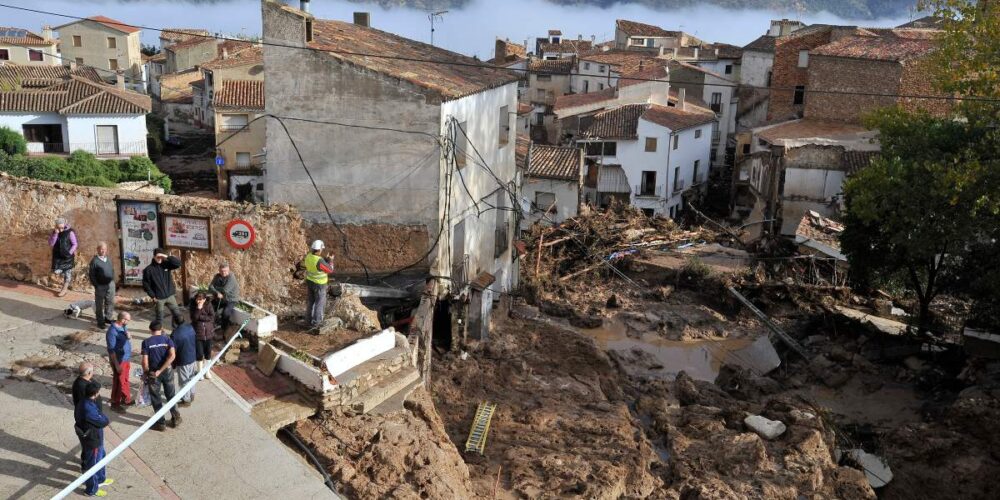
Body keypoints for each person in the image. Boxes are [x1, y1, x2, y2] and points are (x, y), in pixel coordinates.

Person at [74, 382, 112, 497]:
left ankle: (100, 479)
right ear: (95, 394)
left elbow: (99, 415)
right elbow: (104, 421)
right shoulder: (88, 408)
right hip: (92, 440)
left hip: (96, 438)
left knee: (101, 456)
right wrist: (103, 417)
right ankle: (91, 489)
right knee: (93, 464)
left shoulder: (85, 402)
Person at [141, 321, 181, 431]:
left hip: (153, 374)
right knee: (171, 395)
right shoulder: (167, 339)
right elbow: (172, 356)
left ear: (150, 329)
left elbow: (145, 362)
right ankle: (176, 418)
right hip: (167, 371)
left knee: (156, 398)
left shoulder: (146, 342)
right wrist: (162, 369)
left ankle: (161, 423)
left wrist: (146, 373)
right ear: (161, 328)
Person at [142, 249, 183, 328]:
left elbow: (178, 263)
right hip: (159, 298)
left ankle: (176, 330)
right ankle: (158, 333)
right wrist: (152, 296)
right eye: (158, 257)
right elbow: (146, 285)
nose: (159, 258)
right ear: (154, 256)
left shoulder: (166, 264)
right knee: (159, 318)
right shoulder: (148, 270)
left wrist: (166, 256)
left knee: (177, 314)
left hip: (170, 296)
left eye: (161, 257)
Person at [302, 240, 335, 328]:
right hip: (319, 285)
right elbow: (330, 270)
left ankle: (308, 321)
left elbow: (316, 264)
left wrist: (325, 260)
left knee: (310, 302)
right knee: (319, 303)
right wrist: (330, 260)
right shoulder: (319, 261)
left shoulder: (308, 256)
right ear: (319, 249)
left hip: (310, 282)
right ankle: (317, 322)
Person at [105, 312, 133, 411]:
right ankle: (115, 404)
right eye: (127, 320)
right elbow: (111, 350)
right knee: (118, 382)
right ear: (122, 319)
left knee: (125, 379)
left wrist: (129, 337)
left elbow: (126, 338)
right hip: (119, 360)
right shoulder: (112, 332)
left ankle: (126, 399)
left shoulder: (123, 326)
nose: (128, 322)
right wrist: (116, 365)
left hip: (126, 358)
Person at [87, 242, 116, 328]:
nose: (103, 251)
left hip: (110, 284)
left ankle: (108, 318)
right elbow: (91, 275)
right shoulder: (94, 261)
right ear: (98, 250)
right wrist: (96, 285)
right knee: (99, 304)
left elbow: (112, 270)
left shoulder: (108, 259)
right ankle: (100, 321)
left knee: (110, 302)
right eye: (101, 249)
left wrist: (112, 281)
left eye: (105, 249)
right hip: (100, 286)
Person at [49, 217, 78, 297]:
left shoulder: (70, 232)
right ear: (56, 226)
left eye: (62, 227)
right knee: (56, 271)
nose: (60, 229)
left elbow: (75, 244)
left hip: (67, 257)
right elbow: (51, 244)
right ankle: (63, 287)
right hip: (58, 257)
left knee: (67, 273)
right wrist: (55, 234)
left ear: (65, 225)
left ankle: (64, 289)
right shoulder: (54, 232)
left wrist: (70, 252)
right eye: (58, 228)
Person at [170, 321, 197, 406]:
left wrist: (173, 364)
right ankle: (192, 394)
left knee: (183, 381)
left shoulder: (175, 334)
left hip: (183, 360)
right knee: (191, 377)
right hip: (192, 357)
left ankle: (186, 400)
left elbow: (173, 351)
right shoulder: (190, 327)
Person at [190, 293, 216, 379]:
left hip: (209, 333)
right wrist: (199, 308)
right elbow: (194, 318)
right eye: (197, 299)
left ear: (204, 299)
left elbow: (212, 317)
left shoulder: (209, 305)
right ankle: (200, 372)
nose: (198, 301)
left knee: (208, 354)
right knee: (199, 354)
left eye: (200, 300)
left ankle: (207, 371)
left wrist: (201, 318)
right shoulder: (193, 305)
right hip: (198, 334)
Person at [208, 262, 240, 331]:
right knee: (208, 306)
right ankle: (210, 325)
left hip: (231, 299)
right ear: (219, 270)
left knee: (225, 313)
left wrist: (215, 288)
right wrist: (217, 292)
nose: (223, 273)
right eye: (221, 271)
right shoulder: (217, 276)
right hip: (220, 298)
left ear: (228, 270)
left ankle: (224, 330)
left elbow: (225, 290)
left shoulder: (231, 278)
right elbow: (210, 287)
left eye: (225, 271)